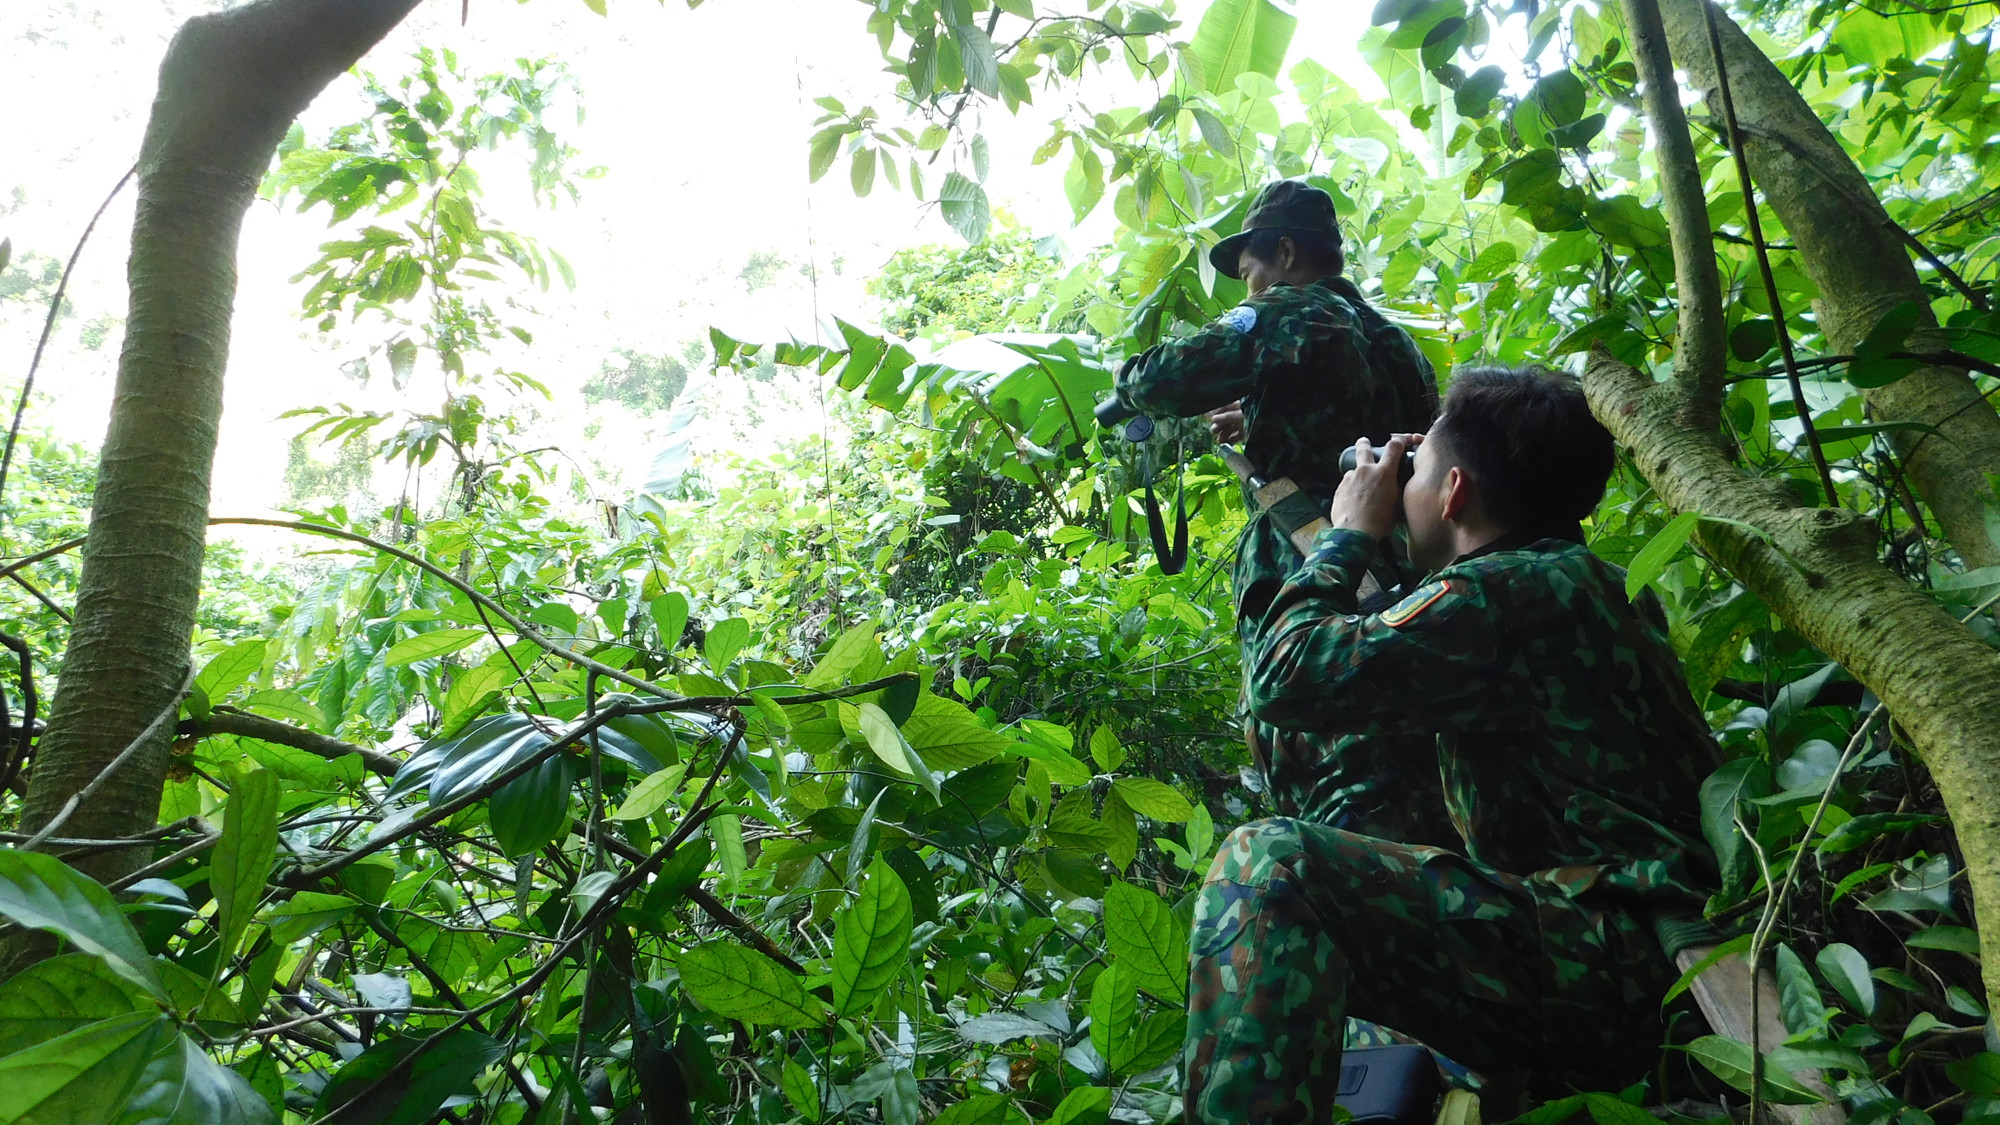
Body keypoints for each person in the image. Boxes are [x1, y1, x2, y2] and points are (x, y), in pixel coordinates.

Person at [1182, 365, 1721, 1122]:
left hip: (1617, 962)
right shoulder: (1579, 580)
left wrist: (1348, 531)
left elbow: (1285, 676)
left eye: (1418, 472)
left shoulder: (1506, 594)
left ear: (1456, 493)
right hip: (1648, 960)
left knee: (1269, 863)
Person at [1112, 179, 1450, 846]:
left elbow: (1165, 376)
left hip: (1315, 567)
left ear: (1287, 253)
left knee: (1331, 781)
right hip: (1402, 587)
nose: (1250, 291)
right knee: (1405, 781)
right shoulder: (1397, 344)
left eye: (1251, 273)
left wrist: (1126, 386)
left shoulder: (1290, 311)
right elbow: (1358, 424)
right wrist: (1261, 413)